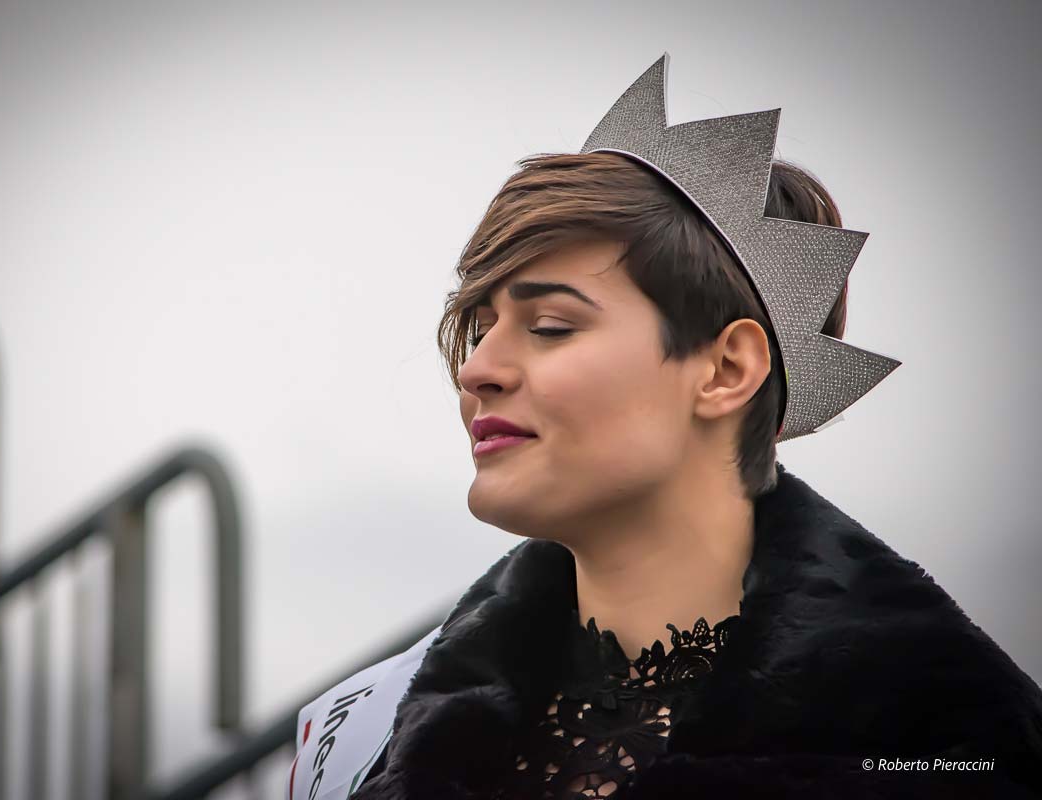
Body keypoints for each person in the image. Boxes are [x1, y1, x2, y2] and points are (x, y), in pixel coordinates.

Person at [286, 53, 1042, 800]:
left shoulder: (950, 748)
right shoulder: (360, 735)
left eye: (549, 325)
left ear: (724, 370)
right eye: (481, 328)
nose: (476, 368)